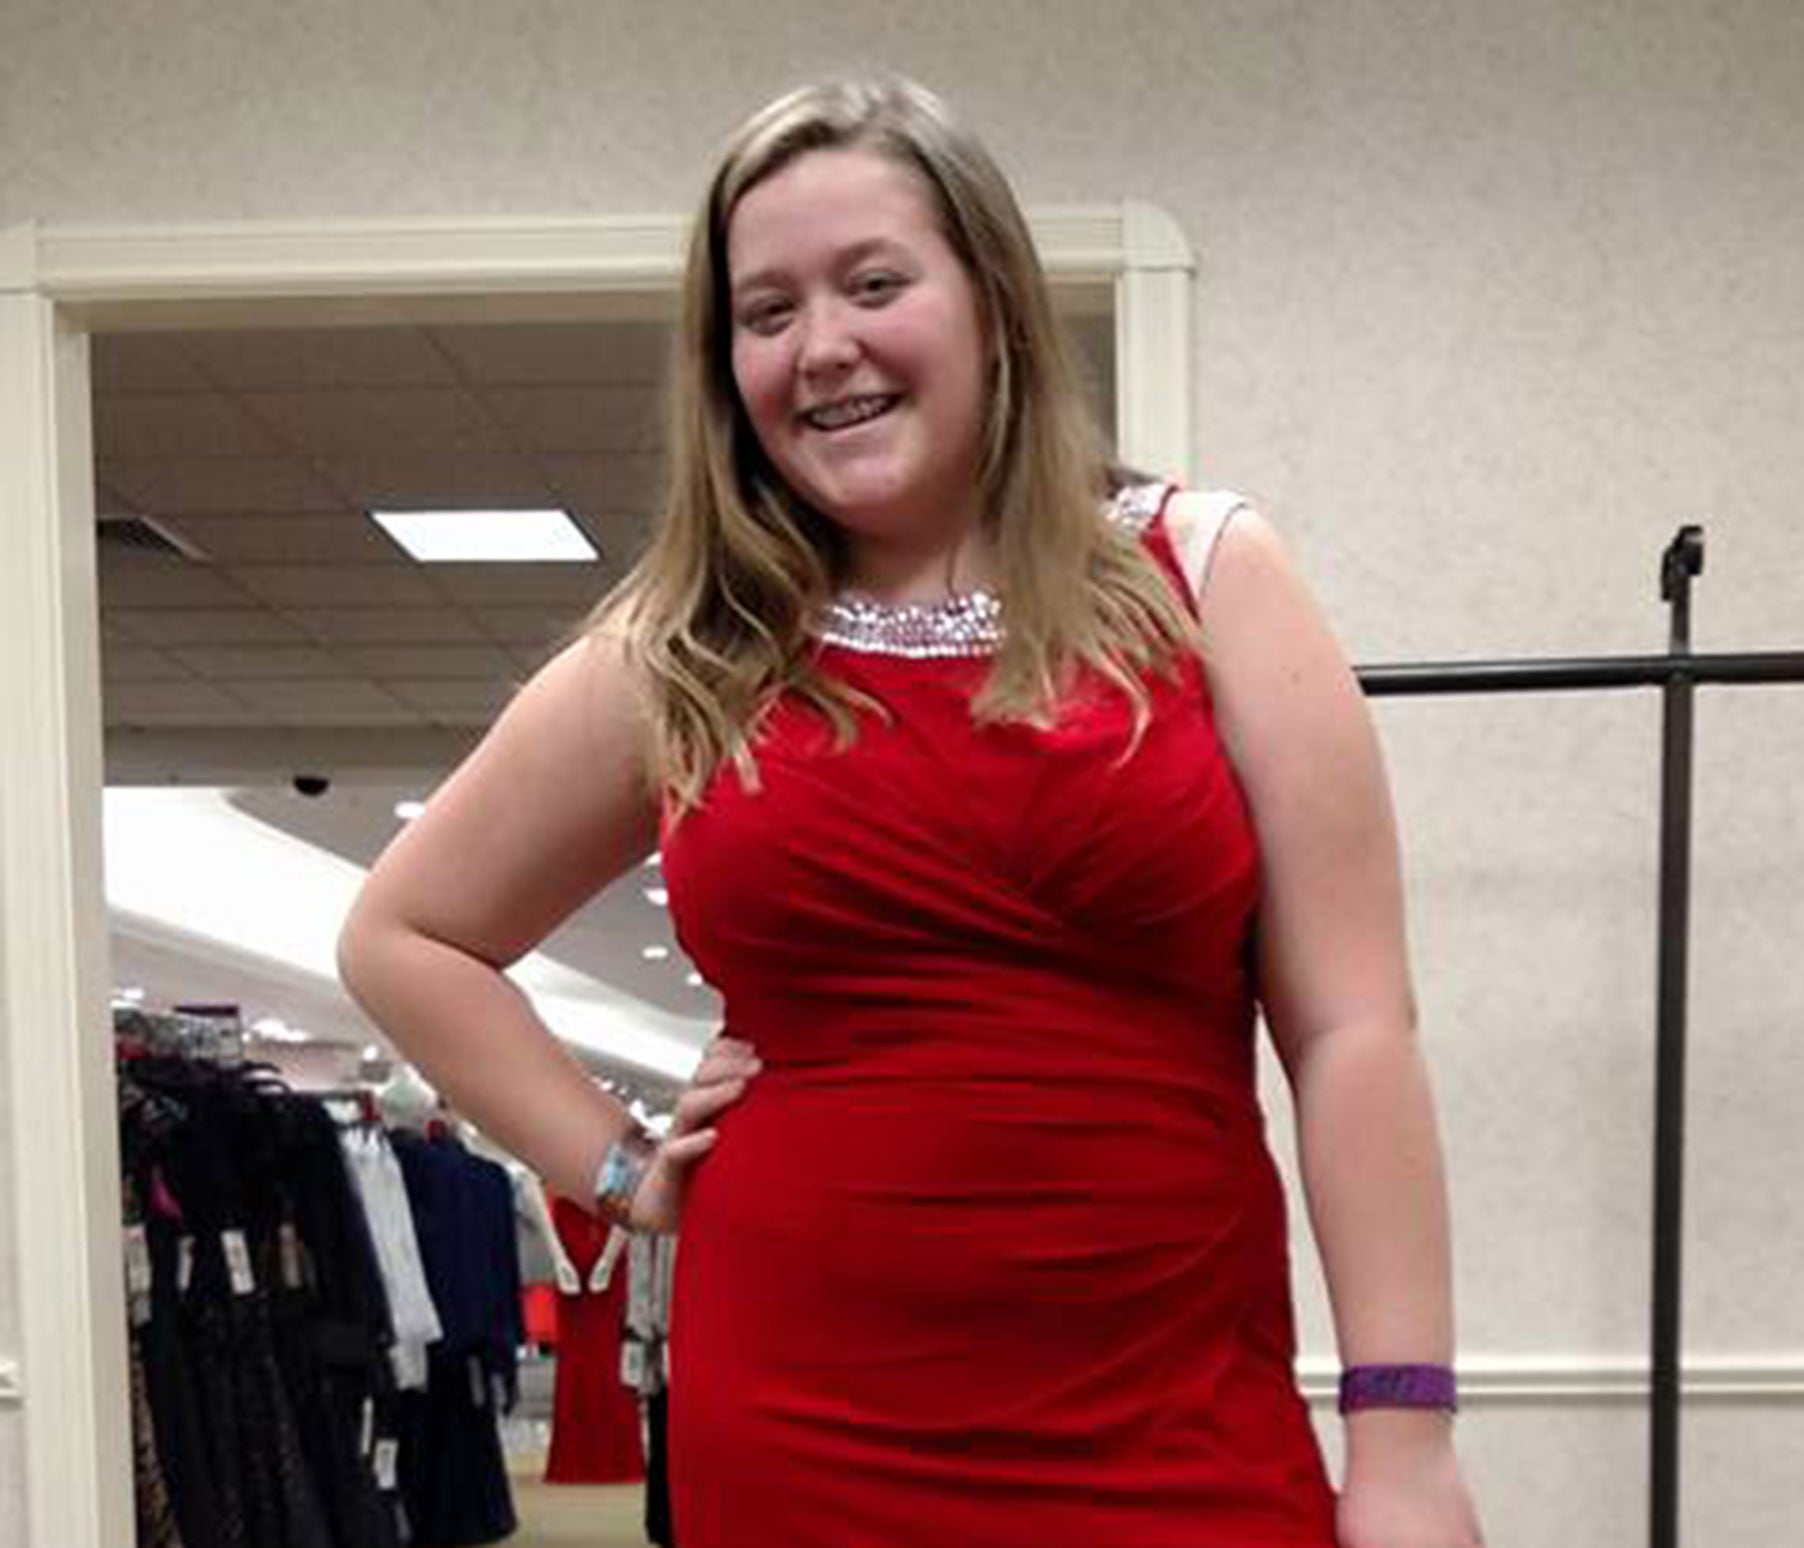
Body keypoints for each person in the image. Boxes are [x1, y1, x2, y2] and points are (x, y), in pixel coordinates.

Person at [338, 76, 1483, 1548]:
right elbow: (405, 933)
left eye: (874, 283)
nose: (824, 348)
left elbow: (1352, 1029)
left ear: (993, 302)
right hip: (805, 1415)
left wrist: (1403, 1435)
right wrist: (618, 1170)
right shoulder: (690, 639)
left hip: (1169, 1409)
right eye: (765, 312)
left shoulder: (1207, 575)